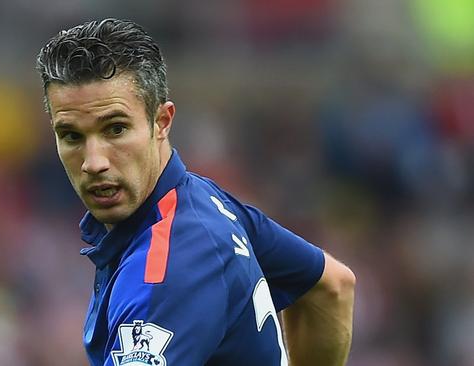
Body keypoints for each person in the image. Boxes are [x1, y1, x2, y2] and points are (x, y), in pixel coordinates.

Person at [36, 18, 355, 366]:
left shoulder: (165, 274)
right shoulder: (201, 200)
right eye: (71, 136)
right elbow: (331, 287)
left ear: (162, 122)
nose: (93, 162)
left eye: (115, 129)